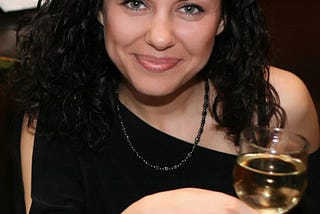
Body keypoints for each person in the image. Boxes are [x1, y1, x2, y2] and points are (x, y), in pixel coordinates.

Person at [10, 0, 319, 213]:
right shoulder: (59, 107)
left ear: (223, 19)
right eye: (135, 3)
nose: (160, 37)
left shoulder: (277, 105)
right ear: (100, 10)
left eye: (190, 8)